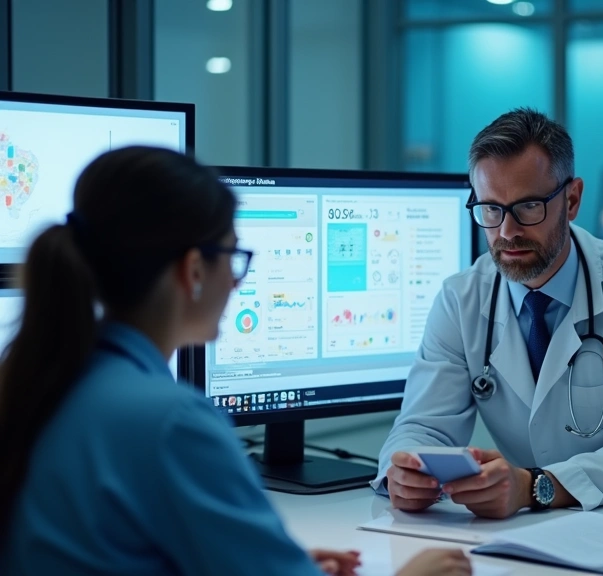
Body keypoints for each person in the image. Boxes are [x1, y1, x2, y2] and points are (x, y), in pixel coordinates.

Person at [0, 146, 471, 576]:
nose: (237, 281)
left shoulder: (44, 381)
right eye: (235, 256)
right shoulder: (171, 421)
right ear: (194, 270)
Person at [374, 108, 603, 518]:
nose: (507, 231)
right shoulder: (461, 299)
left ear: (573, 199)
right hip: (550, 525)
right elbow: (423, 425)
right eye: (491, 209)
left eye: (528, 207)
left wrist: (531, 487)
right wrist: (401, 472)